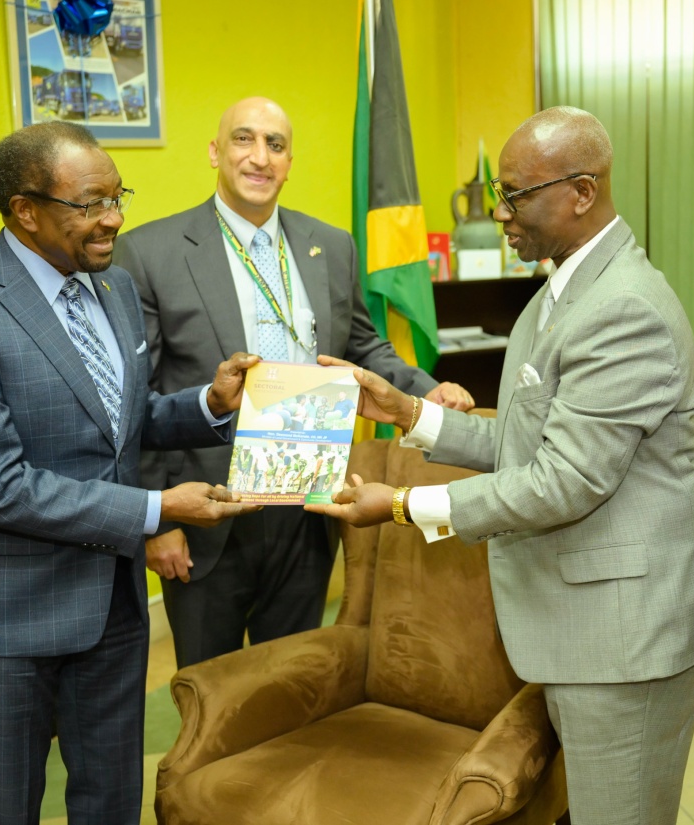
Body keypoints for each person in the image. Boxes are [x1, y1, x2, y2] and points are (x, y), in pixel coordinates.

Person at [308, 106, 694, 825]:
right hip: (592, 623)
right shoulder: (560, 291)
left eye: (514, 194)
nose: (500, 213)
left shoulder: (622, 307)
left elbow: (562, 482)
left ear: (581, 191)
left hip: (631, 633)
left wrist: (400, 506)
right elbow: (524, 443)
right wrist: (409, 413)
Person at [0, 121, 260, 825]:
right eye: (90, 203)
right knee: (10, 805)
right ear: (23, 209)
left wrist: (209, 403)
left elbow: (122, 423)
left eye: (117, 196)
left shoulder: (115, 288)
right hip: (11, 612)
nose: (114, 218)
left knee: (110, 798)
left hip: (112, 606)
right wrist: (156, 511)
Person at [112, 97, 475, 668]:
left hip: (310, 504)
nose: (260, 158)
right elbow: (139, 396)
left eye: (275, 145)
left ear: (289, 161)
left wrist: (422, 390)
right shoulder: (151, 252)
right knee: (211, 691)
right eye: (243, 139)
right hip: (211, 511)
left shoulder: (329, 246)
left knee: (294, 681)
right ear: (214, 152)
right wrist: (158, 520)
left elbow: (363, 345)